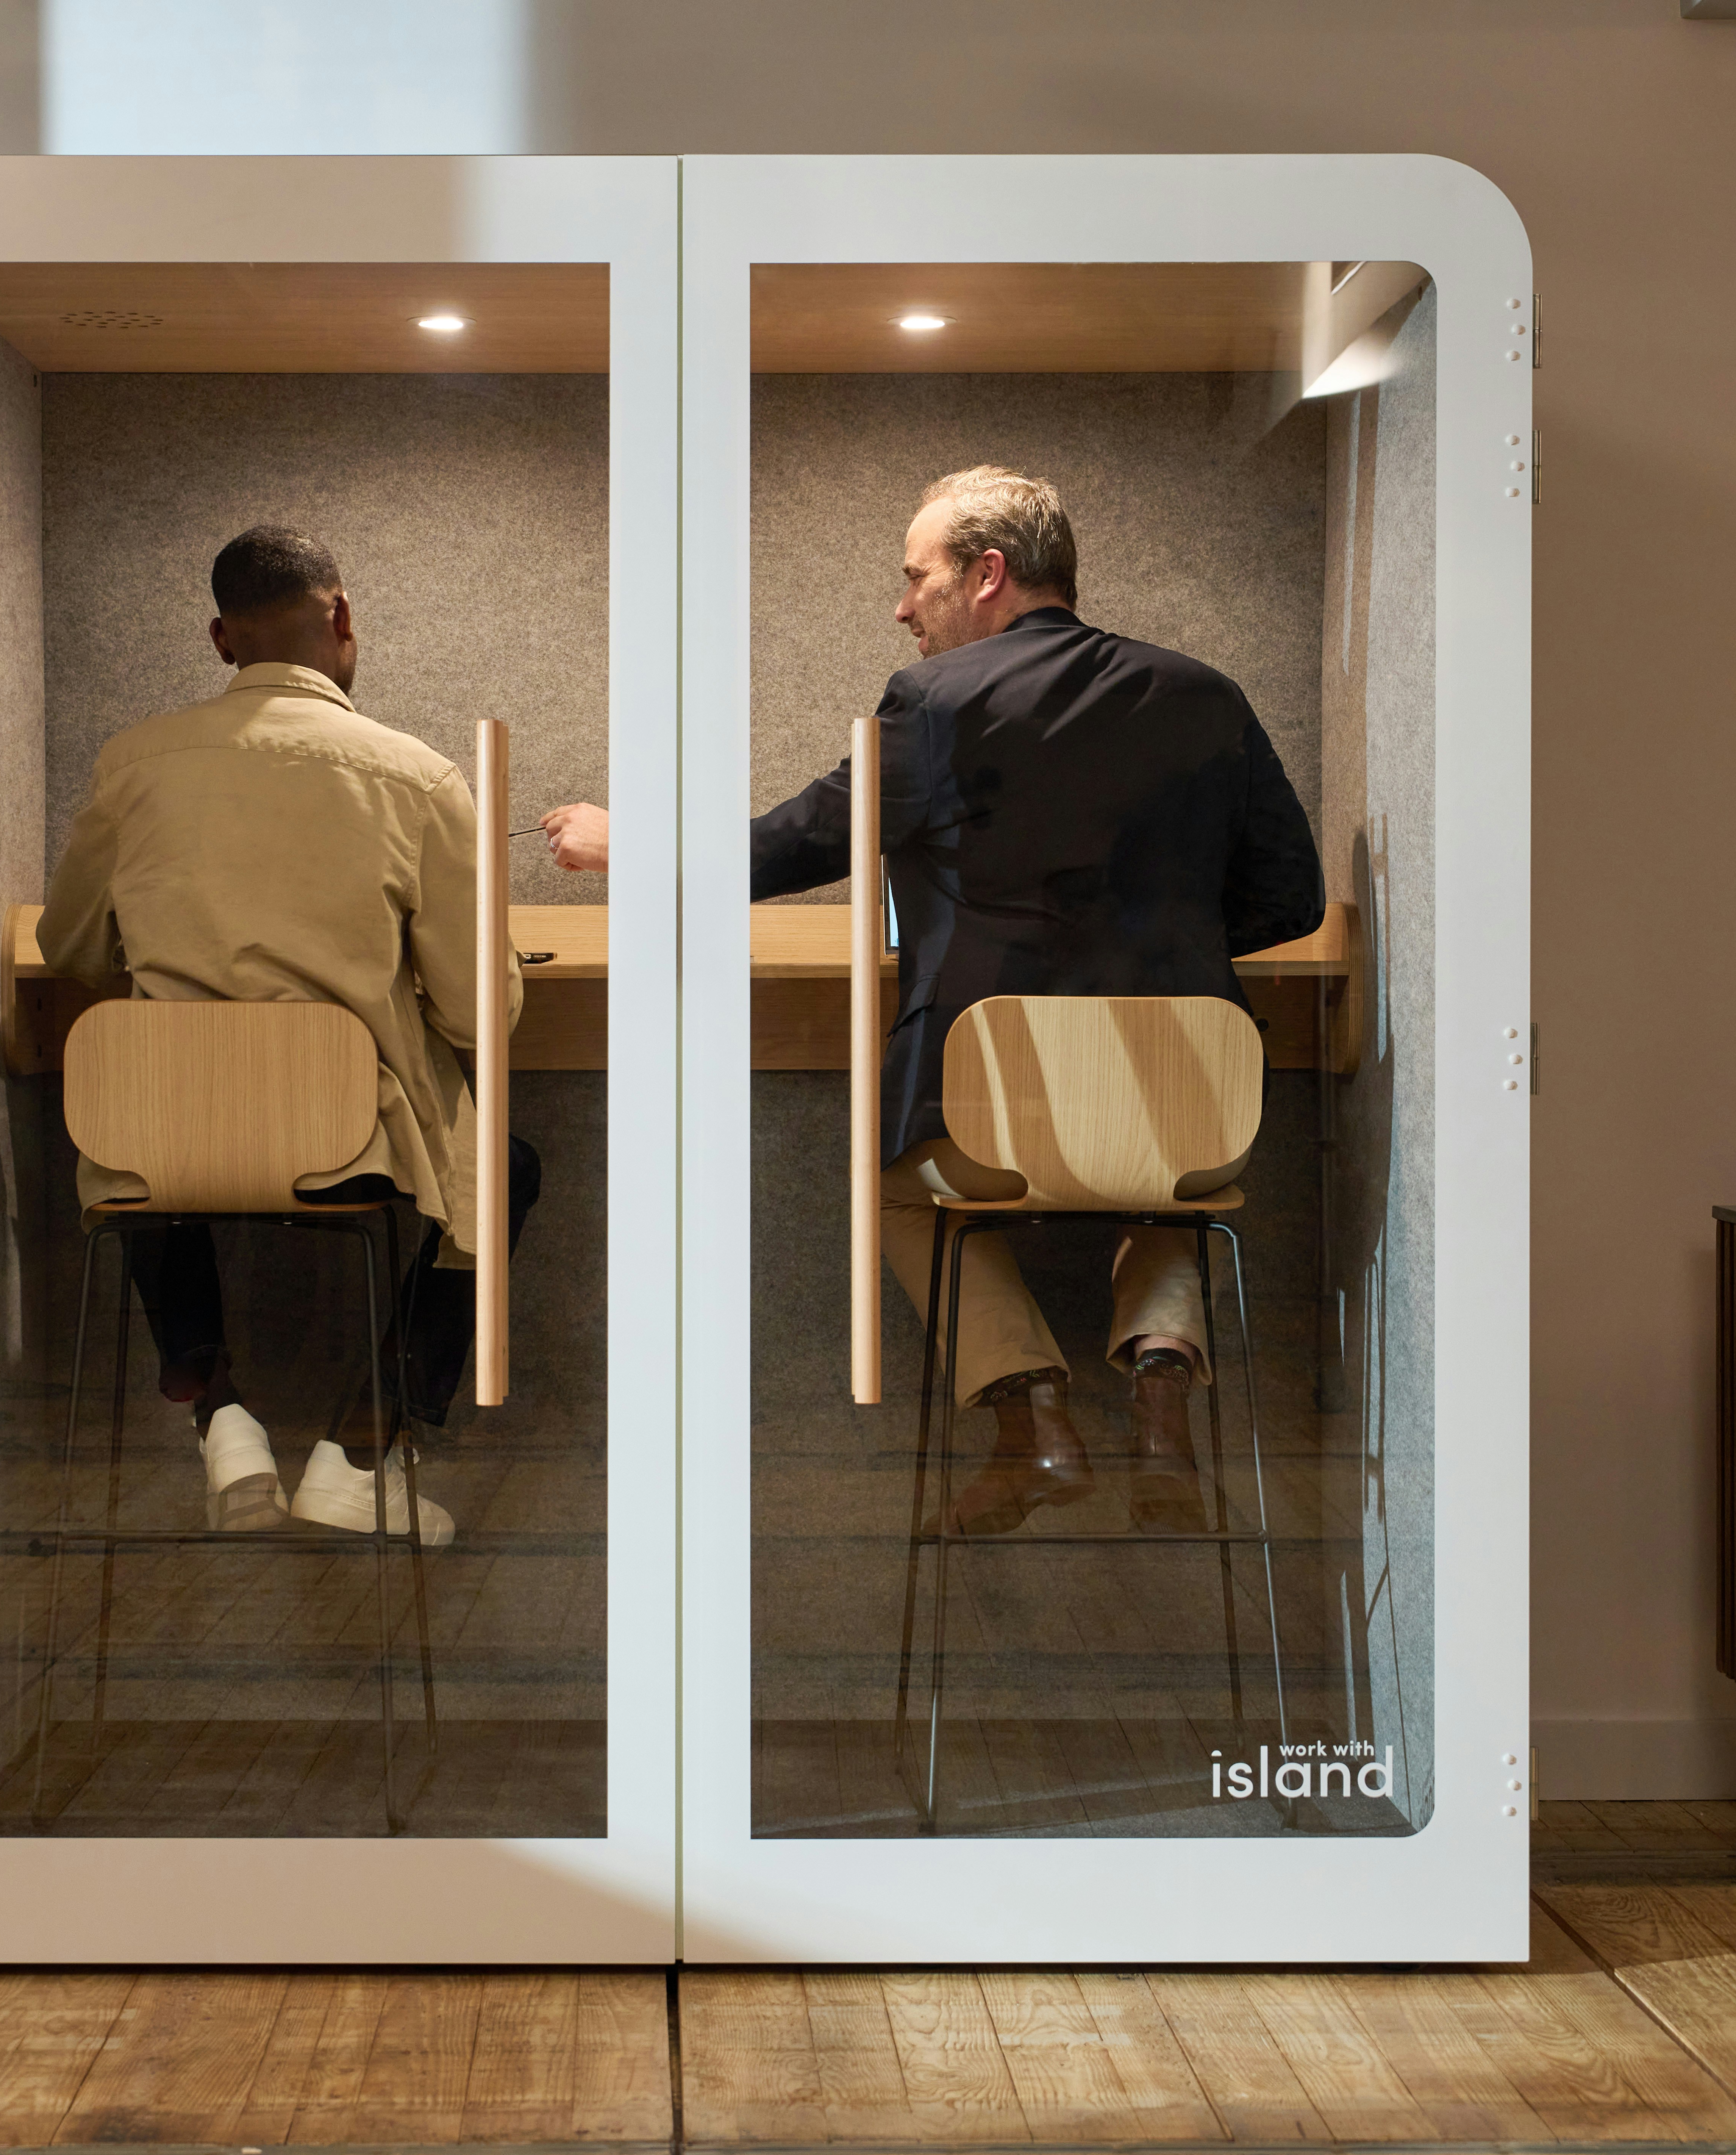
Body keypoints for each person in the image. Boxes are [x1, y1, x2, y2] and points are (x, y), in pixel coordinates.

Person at [538, 466, 1320, 1535]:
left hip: (990, 1097)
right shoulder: (1205, 694)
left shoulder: (938, 704)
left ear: (987, 575)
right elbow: (1290, 895)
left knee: (896, 1190)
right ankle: (1161, 1398)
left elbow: (792, 843)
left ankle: (1032, 1418)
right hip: (1187, 1087)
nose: (902, 607)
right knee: (1166, 1177)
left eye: (916, 579)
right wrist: (1152, 941)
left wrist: (627, 843)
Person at [40, 526, 536, 1546]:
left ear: (222, 639)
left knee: (149, 1140)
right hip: (343, 1130)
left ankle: (216, 1409)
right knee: (504, 1168)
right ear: (343, 617)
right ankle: (362, 1450)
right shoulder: (418, 778)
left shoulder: (130, 764)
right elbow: (475, 1013)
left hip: (160, 1125)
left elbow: (73, 947)